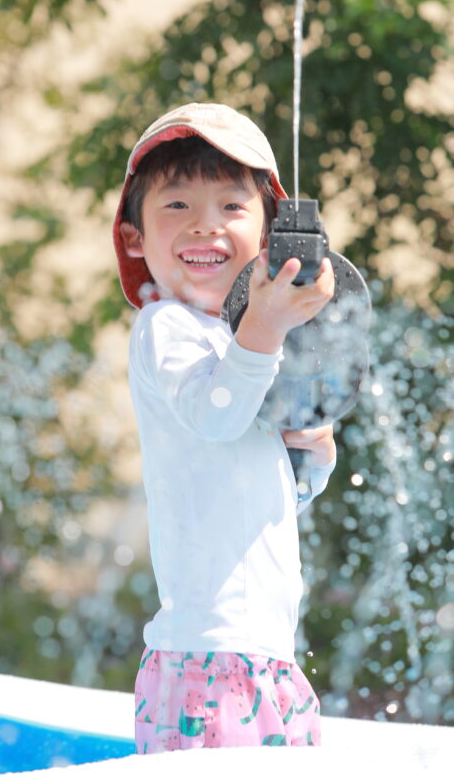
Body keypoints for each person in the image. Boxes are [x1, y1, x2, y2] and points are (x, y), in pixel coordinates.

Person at [112, 102, 336, 752]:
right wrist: (265, 327)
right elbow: (216, 417)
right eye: (177, 205)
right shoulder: (166, 326)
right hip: (207, 663)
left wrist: (312, 450)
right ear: (134, 238)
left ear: (268, 239)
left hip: (264, 656)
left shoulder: (246, 346)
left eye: (231, 206)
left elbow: (264, 499)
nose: (204, 225)